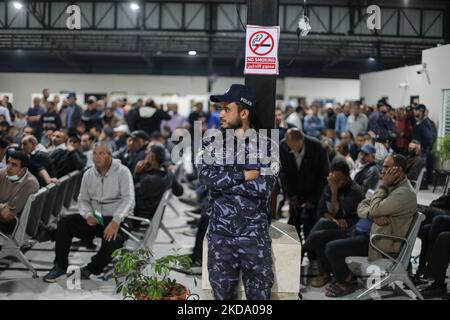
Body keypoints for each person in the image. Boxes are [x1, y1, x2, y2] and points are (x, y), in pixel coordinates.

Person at [197, 84, 278, 300]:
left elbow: (264, 187)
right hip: (220, 236)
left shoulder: (267, 146)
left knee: (259, 300)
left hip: (253, 236)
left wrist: (223, 185)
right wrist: (243, 176)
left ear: (244, 112)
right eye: (220, 109)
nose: (220, 114)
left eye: (226, 109)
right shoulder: (211, 142)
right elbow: (205, 179)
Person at [43, 143, 135, 282]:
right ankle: (60, 265)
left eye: (101, 153)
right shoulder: (88, 174)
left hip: (119, 217)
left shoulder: (122, 172)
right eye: (95, 153)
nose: (97, 157)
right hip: (97, 216)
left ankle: (92, 269)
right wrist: (88, 214)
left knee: (112, 239)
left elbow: (129, 200)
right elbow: (83, 199)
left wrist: (116, 220)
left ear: (110, 156)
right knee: (65, 223)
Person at [304, 161, 364, 288]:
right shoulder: (329, 186)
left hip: (350, 230)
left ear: (346, 177)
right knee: (321, 223)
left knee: (319, 232)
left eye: (338, 180)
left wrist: (334, 191)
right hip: (332, 224)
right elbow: (322, 211)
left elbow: (358, 216)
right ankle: (323, 268)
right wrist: (332, 218)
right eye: (333, 179)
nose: (335, 182)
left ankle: (308, 252)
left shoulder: (354, 191)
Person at [280, 128, 330, 246]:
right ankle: (295, 256)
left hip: (314, 193)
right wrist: (291, 196)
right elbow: (284, 174)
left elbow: (324, 177)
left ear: (301, 141)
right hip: (295, 194)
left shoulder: (317, 147)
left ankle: (313, 258)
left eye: (294, 146)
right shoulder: (283, 146)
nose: (291, 149)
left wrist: (313, 200)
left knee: (310, 226)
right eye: (289, 145)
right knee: (292, 227)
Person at [133, 143, 183, 221]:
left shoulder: (149, 180)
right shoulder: (168, 173)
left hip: (137, 217)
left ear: (151, 157)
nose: (145, 154)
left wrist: (137, 173)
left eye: (147, 153)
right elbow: (179, 192)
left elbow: (129, 194)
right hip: (152, 215)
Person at [0, 149, 39, 234]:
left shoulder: (31, 184)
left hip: (13, 224)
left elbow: (7, 215)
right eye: (8, 162)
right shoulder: (2, 173)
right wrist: (3, 207)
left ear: (23, 169)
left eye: (13, 165)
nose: (8, 167)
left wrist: (4, 208)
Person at [412, 104, 437, 189]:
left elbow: (429, 138)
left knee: (423, 168)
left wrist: (421, 146)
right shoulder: (419, 122)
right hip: (418, 149)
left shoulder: (426, 123)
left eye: (416, 110)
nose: (414, 112)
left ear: (421, 111)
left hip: (423, 150)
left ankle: (423, 185)